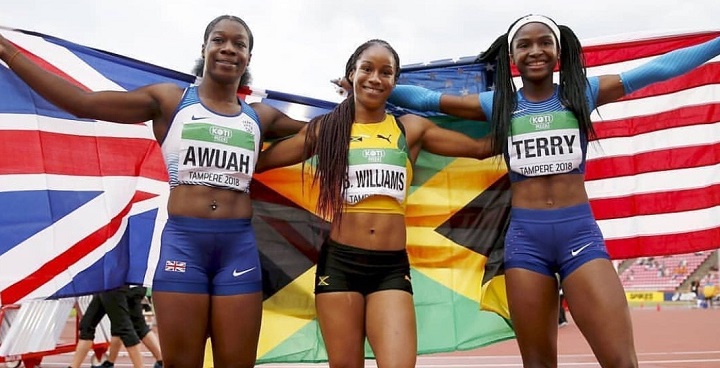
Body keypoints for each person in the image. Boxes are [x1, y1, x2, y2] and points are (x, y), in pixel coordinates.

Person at [386, 14, 720, 367]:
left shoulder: (583, 93)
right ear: (511, 56)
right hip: (525, 243)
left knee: (621, 360)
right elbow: (426, 100)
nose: (536, 51)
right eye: (525, 45)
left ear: (558, 50)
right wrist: (372, 85)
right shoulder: (499, 104)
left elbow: (658, 70)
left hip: (580, 236)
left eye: (545, 42)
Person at [0, 15, 305, 367]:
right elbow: (82, 103)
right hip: (184, 247)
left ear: (249, 58)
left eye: (240, 44)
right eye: (219, 40)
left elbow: (321, 133)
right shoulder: (170, 101)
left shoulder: (260, 117)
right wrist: (8, 52)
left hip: (238, 250)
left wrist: (373, 99)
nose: (228, 49)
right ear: (204, 48)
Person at [255, 39, 493, 368]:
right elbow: (259, 163)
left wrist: (529, 116)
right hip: (339, 267)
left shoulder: (409, 129)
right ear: (351, 73)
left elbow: (481, 149)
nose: (375, 78)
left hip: (390, 269)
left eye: (386, 72)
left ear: (395, 83)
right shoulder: (327, 129)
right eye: (367, 69)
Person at [69, 286, 162, 368]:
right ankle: (161, 361)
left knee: (124, 327)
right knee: (87, 325)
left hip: (114, 284)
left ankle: (141, 365)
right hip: (126, 285)